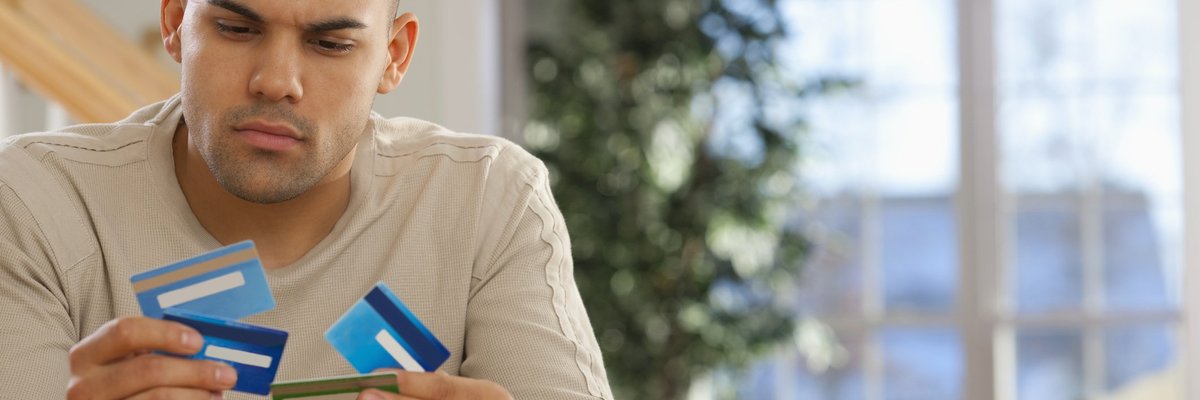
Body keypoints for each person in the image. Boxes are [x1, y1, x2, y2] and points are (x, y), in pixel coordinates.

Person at [0, 0, 613, 398]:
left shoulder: (491, 197)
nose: (276, 81)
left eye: (331, 44)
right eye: (236, 28)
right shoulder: (31, 200)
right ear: (174, 22)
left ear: (393, 57)